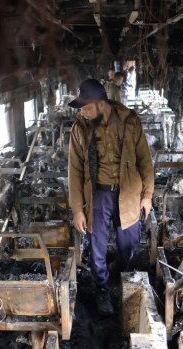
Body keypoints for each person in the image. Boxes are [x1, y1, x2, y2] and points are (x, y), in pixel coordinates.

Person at [67, 79, 154, 316]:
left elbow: (145, 160)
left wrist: (147, 196)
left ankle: (119, 270)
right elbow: (74, 171)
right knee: (97, 245)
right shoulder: (80, 129)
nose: (82, 113)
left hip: (128, 192)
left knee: (129, 241)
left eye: (86, 107)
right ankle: (102, 289)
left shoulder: (130, 121)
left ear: (100, 104)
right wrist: (77, 209)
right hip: (97, 194)